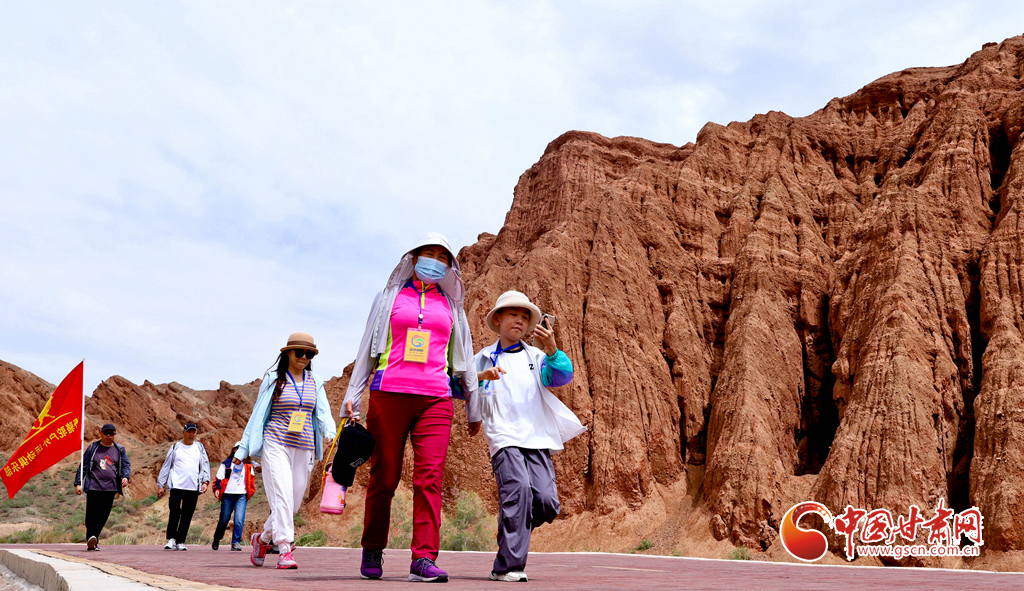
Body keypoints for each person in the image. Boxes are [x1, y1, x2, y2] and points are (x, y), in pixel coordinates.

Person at [342, 232, 479, 583]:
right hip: (388, 393)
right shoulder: (389, 297)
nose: (435, 261)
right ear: (414, 258)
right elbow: (367, 347)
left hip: (436, 399)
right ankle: (373, 548)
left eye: (442, 257)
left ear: (450, 267)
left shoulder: (452, 306)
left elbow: (464, 357)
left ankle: (423, 559)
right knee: (385, 477)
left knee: (430, 478)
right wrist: (353, 394)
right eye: (428, 254)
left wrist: (474, 406)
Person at [471, 291, 586, 582]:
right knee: (519, 492)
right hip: (504, 437)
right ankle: (507, 567)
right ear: (498, 319)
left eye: (525, 317)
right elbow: (459, 385)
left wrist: (552, 349)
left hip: (536, 438)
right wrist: (482, 378)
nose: (519, 321)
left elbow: (561, 377)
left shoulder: (537, 356)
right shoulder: (483, 358)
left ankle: (513, 527)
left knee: (546, 501)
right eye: (513, 315)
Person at [236, 332, 336, 570]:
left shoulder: (315, 382)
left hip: (304, 447)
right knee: (282, 497)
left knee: (292, 505)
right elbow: (257, 416)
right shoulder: (274, 379)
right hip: (276, 443)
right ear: (288, 353)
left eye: (309, 354)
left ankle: (261, 540)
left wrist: (330, 431)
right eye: (300, 352)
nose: (304, 357)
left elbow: (323, 412)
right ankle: (284, 548)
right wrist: (242, 450)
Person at [74, 422, 131, 551]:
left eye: (111, 433)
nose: (108, 435)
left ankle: (94, 538)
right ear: (101, 434)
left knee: (103, 515)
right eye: (106, 433)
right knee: (91, 515)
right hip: (94, 487)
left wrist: (126, 477)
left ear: (115, 435)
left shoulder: (120, 449)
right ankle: (92, 537)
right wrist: (78, 483)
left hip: (110, 488)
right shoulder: (93, 448)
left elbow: (126, 465)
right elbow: (83, 467)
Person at [157, 422, 211, 551]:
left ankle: (180, 541)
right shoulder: (176, 447)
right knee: (174, 511)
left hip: (193, 486)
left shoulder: (199, 447)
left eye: (194, 432)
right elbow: (166, 465)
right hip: (177, 485)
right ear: (183, 432)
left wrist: (205, 481)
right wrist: (161, 485)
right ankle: (171, 539)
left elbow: (205, 464)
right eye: (189, 432)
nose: (191, 434)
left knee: (187, 515)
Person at [211, 441, 256, 551]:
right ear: (235, 450)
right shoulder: (227, 464)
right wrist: (217, 489)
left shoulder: (248, 465)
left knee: (239, 519)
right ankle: (217, 538)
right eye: (240, 448)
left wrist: (250, 492)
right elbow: (219, 477)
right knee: (224, 518)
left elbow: (251, 480)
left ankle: (235, 543)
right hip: (228, 495)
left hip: (241, 495)